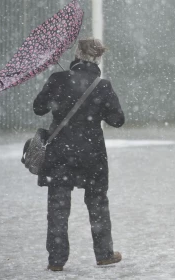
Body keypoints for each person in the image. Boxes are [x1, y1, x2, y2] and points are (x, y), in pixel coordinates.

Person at [33, 39, 125, 271]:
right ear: (97, 58)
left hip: (60, 152)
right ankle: (104, 254)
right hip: (91, 154)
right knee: (97, 203)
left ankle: (56, 260)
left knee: (58, 205)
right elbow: (117, 120)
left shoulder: (58, 79)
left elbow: (38, 108)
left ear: (77, 55)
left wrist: (59, 93)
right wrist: (99, 109)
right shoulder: (102, 85)